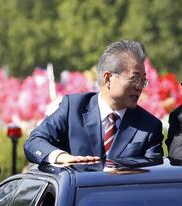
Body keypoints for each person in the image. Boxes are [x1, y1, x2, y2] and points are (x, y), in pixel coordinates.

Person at [24, 40, 163, 164]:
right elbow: (34, 141)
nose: (140, 87)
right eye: (134, 78)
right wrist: (62, 157)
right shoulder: (73, 109)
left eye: (143, 80)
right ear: (108, 78)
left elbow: (152, 177)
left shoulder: (149, 126)